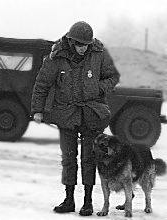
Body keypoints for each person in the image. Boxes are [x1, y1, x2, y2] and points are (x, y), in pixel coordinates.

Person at [31, 21, 120, 216]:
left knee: (89, 158)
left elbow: (112, 77)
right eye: (80, 45)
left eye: (86, 45)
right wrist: (37, 109)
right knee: (68, 158)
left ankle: (87, 201)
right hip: (65, 113)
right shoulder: (57, 56)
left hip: (91, 113)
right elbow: (42, 84)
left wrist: (98, 88)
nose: (83, 49)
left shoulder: (99, 54)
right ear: (71, 41)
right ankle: (69, 199)